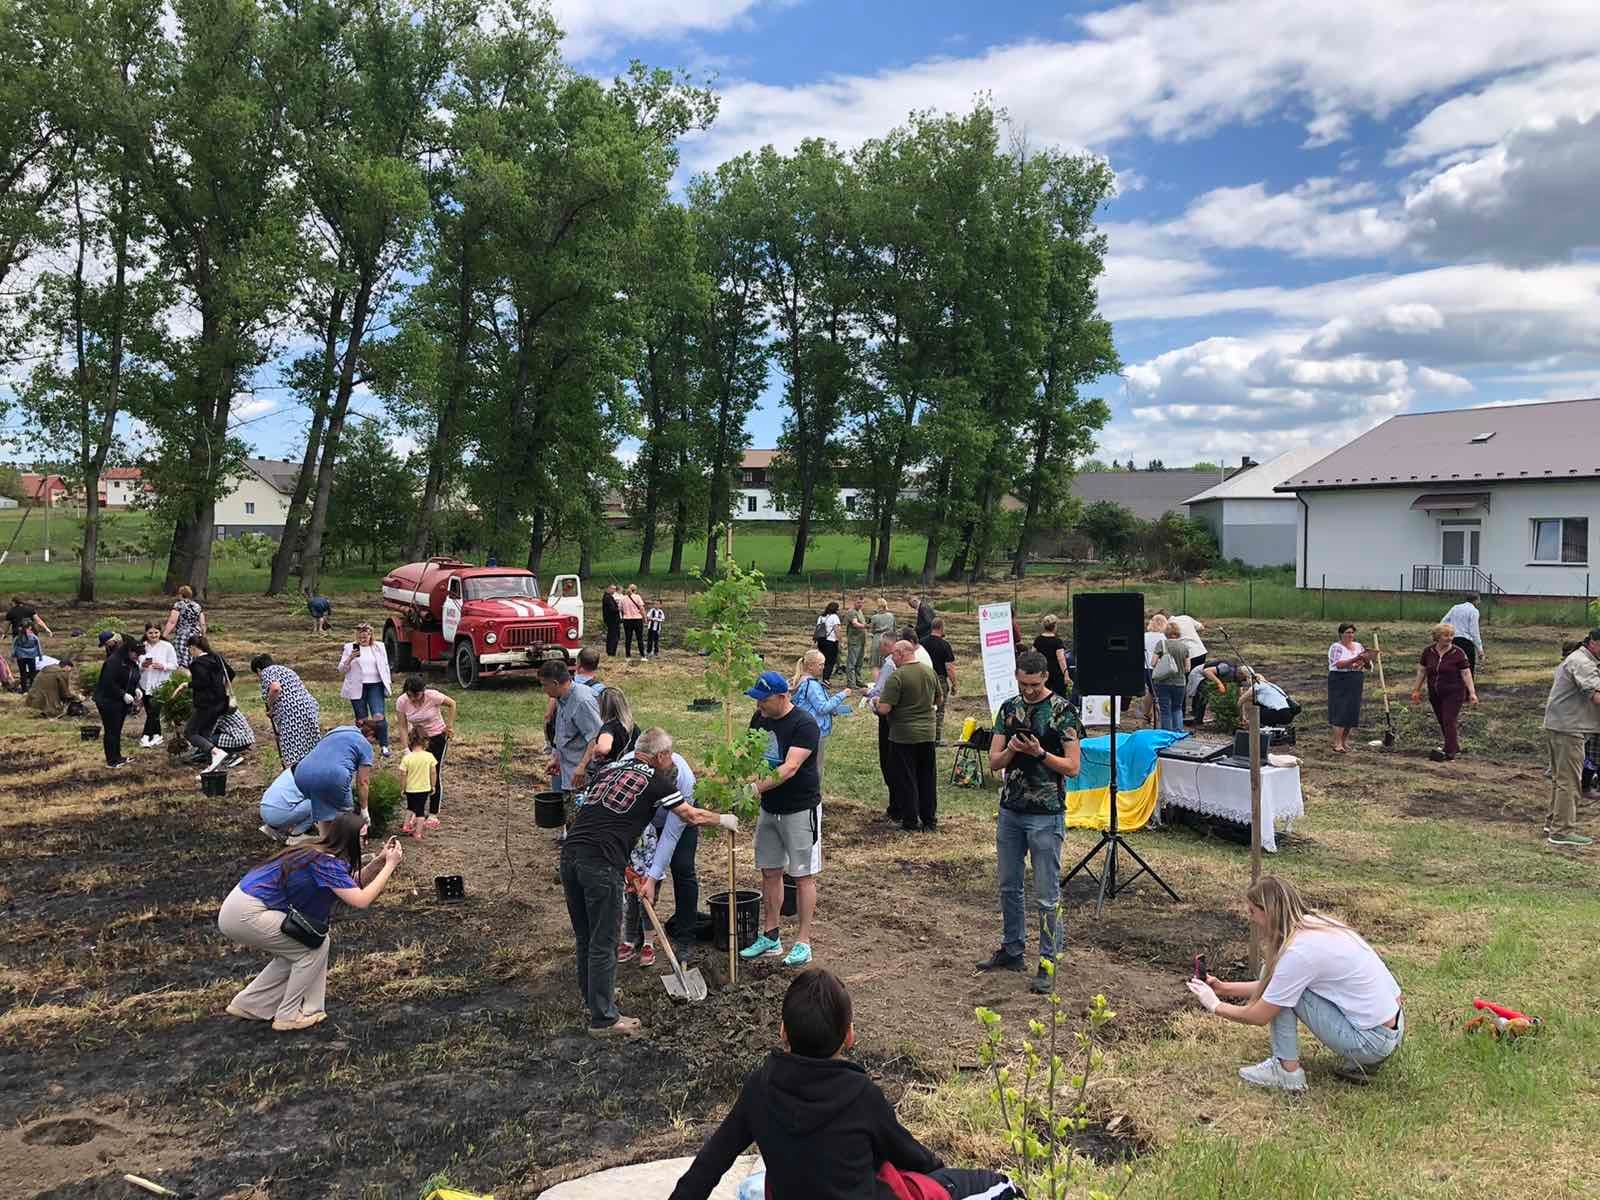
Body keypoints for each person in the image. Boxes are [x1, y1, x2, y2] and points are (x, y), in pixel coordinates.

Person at [668, 968, 1020, 1200]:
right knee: (1001, 1187)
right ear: (849, 1036)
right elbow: (911, 1156)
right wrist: (941, 1171)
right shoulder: (861, 1096)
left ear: (782, 1032)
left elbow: (709, 1165)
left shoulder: (759, 1088)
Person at [560, 726, 738, 1036]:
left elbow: (595, 815)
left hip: (571, 855)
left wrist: (627, 867)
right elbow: (690, 817)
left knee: (587, 937)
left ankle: (595, 1000)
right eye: (671, 757)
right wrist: (724, 820)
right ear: (662, 755)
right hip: (600, 865)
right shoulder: (656, 781)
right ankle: (604, 1020)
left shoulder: (609, 770)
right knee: (604, 940)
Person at [1184, 876, 1404, 1092]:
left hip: (1371, 1042)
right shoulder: (1320, 925)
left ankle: (1287, 1072)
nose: (1250, 918)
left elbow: (1260, 1015)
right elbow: (1279, 983)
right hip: (1392, 1027)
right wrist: (1223, 988)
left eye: (1253, 911)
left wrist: (1214, 1005)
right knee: (1280, 977)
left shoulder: (1299, 953)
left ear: (1269, 912)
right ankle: (1364, 1061)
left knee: (1287, 989)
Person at [217, 811, 402, 1031]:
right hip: (247, 912)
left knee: (303, 946)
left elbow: (349, 885)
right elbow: (361, 900)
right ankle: (289, 1015)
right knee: (311, 947)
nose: (365, 841)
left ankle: (251, 1004)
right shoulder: (325, 863)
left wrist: (379, 861)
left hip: (242, 906)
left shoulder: (319, 853)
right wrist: (390, 866)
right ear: (349, 839)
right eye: (362, 837)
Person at [977, 650, 1082, 994]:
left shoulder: (1064, 711)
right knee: (1009, 885)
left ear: (1046, 679)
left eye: (1034, 685)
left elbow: (1072, 767)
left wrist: (1039, 753)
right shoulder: (1009, 708)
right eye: (1023, 684)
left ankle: (1049, 962)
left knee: (1047, 894)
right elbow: (994, 762)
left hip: (1046, 813)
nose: (1029, 691)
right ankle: (1012, 949)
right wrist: (1012, 751)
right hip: (1011, 809)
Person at [743, 671, 823, 967]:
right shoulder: (760, 719)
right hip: (769, 807)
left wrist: (752, 789)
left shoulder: (804, 724)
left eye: (763, 700)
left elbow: (789, 768)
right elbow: (749, 754)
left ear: (782, 697)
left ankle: (803, 942)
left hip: (800, 808)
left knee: (802, 875)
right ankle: (771, 935)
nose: (759, 705)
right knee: (770, 871)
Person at [624, 744, 703, 942]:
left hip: (677, 821)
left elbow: (670, 835)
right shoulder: (628, 769)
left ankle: (686, 935)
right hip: (642, 823)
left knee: (682, 867)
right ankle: (637, 937)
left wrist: (652, 877)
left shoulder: (684, 780)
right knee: (635, 875)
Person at [1541, 629, 1600, 847]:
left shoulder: (1582, 658)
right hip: (1568, 728)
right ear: (1593, 642)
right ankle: (1562, 831)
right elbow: (1595, 695)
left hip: (1563, 725)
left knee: (1561, 779)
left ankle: (1553, 823)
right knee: (1569, 781)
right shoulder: (1582, 662)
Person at [876, 640, 939, 833]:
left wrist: (876, 703)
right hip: (927, 733)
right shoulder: (930, 672)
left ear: (902, 653)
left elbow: (885, 708)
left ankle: (910, 820)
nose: (892, 658)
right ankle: (929, 820)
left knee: (906, 777)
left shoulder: (898, 677)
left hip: (903, 735)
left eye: (894, 654)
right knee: (927, 777)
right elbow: (939, 698)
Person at [171, 635, 240, 773]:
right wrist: (222, 688)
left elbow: (203, 682)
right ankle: (214, 765)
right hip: (221, 703)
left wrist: (186, 684)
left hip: (206, 704)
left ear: (193, 648)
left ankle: (216, 753)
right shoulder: (217, 658)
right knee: (205, 734)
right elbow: (231, 674)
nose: (190, 652)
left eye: (189, 649)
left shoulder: (197, 663)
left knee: (190, 732)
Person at [293, 720, 381, 828]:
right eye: (373, 741)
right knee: (345, 817)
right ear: (371, 734)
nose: (371, 744)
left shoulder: (337, 730)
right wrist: (364, 810)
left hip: (301, 773)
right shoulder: (364, 744)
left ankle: (325, 842)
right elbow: (363, 781)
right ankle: (344, 843)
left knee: (323, 812)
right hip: (333, 776)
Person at [1410, 623, 1477, 762]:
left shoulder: (1458, 653)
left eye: (1451, 635)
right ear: (1437, 637)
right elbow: (1422, 671)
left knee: (1449, 720)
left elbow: (1466, 673)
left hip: (1454, 692)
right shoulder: (1428, 652)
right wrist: (1416, 689)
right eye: (1445, 635)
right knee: (1442, 720)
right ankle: (1454, 746)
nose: (1449, 638)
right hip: (1435, 692)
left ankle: (1450, 751)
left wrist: (1472, 693)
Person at [393, 674, 454, 827]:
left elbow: (452, 704)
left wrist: (449, 726)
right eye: (409, 695)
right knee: (414, 773)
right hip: (417, 740)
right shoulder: (402, 702)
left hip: (436, 738)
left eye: (416, 695)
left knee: (433, 772)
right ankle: (414, 811)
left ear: (423, 691)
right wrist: (406, 748)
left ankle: (433, 813)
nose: (413, 699)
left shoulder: (433, 696)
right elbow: (402, 726)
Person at [790, 649, 852, 788]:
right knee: (815, 768)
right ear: (810, 666)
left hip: (806, 728)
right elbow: (822, 708)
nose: (823, 667)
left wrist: (833, 710)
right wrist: (842, 695)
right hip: (815, 730)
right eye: (820, 664)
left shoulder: (803, 681)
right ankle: (813, 798)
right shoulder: (811, 685)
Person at [541, 660, 602, 799]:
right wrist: (556, 758)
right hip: (567, 769)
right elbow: (563, 733)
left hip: (580, 777)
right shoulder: (561, 698)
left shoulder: (582, 701)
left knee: (577, 816)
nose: (544, 690)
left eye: (545, 685)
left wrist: (582, 767)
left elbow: (596, 737)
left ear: (555, 684)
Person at [252, 654, 322, 771]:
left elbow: (275, 688)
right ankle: (314, 772)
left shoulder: (267, 672)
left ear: (258, 670)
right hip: (308, 707)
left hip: (293, 713)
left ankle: (295, 779)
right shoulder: (285, 670)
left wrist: (270, 706)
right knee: (310, 743)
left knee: (292, 749)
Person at [338, 623, 392, 757]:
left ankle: (384, 745)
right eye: (361, 637)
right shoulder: (349, 648)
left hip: (375, 685)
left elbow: (385, 666)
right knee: (362, 719)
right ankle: (362, 746)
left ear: (370, 635)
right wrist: (350, 658)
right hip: (357, 686)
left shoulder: (379, 647)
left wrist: (388, 683)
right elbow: (341, 670)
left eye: (366, 636)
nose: (364, 639)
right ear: (357, 636)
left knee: (378, 715)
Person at [93, 631, 142, 769]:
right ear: (129, 651)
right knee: (111, 730)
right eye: (136, 654)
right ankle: (111, 760)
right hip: (107, 700)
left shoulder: (131, 662)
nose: (137, 657)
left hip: (120, 702)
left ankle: (118, 756)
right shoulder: (113, 661)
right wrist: (122, 694)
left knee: (117, 729)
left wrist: (136, 689)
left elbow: (133, 678)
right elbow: (108, 682)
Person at [864, 633, 899, 817]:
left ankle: (895, 806)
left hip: (888, 717)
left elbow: (880, 691)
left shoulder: (888, 664)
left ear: (887, 645)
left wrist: (869, 695)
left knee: (888, 760)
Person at [578, 686, 639, 790]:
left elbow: (604, 748)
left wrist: (595, 751)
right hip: (630, 774)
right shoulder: (633, 727)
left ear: (602, 707)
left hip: (610, 778)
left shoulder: (609, 726)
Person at [1327, 622, 1374, 753]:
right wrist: (1356, 659)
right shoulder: (1336, 647)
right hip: (1340, 679)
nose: (1350, 635)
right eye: (1347, 632)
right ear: (1341, 634)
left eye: (1352, 632)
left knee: (1351, 710)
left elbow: (1368, 665)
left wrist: (1366, 659)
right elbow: (1339, 664)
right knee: (1340, 709)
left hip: (1355, 679)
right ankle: (1337, 743)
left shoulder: (1358, 646)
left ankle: (1344, 742)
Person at [136, 624, 178, 748]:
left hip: (161, 684)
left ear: (160, 633)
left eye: (156, 632)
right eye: (150, 633)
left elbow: (174, 665)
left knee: (154, 711)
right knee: (150, 712)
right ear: (146, 634)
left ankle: (145, 735)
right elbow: (136, 663)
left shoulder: (167, 646)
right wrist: (142, 665)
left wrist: (163, 666)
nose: (153, 635)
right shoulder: (142, 646)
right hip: (145, 683)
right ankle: (157, 735)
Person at [920, 617, 957, 743]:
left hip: (923, 679)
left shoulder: (922, 643)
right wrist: (954, 684)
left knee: (924, 707)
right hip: (940, 680)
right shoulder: (945, 645)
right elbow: (949, 667)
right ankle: (936, 738)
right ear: (941, 628)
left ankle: (923, 735)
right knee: (939, 710)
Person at [1149, 621, 1190, 733]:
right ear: (1177, 633)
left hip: (1163, 683)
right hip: (1180, 683)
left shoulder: (1161, 644)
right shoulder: (1184, 647)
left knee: (1165, 710)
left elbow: (1153, 663)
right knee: (1177, 708)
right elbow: (1187, 668)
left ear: (1166, 633)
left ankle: (1167, 735)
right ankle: (1178, 733)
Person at [399, 729, 439, 841]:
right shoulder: (429, 756)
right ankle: (418, 833)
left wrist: (402, 787)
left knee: (410, 807)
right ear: (425, 742)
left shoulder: (407, 758)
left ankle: (406, 826)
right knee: (420, 812)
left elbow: (403, 774)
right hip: (423, 789)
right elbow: (433, 772)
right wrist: (433, 785)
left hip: (410, 788)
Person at [258, 767, 316, 842]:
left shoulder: (294, 769)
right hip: (278, 815)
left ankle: (275, 827)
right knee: (319, 802)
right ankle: (296, 834)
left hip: (263, 809)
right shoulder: (313, 775)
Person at [162, 584, 207, 668]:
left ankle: (185, 678)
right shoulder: (197, 606)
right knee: (195, 658)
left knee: (183, 661)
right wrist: (203, 636)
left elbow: (172, 621)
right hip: (196, 636)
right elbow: (203, 623)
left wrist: (164, 635)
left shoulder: (178, 605)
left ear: (180, 594)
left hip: (183, 636)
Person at [1440, 592, 1484, 672]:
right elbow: (1474, 631)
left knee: (1452, 665)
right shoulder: (1474, 611)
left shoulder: (1455, 607)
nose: (1479, 602)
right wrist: (1479, 649)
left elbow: (1443, 621)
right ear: (1475, 600)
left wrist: (1448, 633)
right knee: (1467, 667)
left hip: (1453, 640)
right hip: (1466, 643)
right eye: (1479, 600)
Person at [1188, 659, 1236, 726]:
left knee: (1205, 694)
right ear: (1241, 674)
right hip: (1199, 674)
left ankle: (1197, 719)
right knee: (1202, 695)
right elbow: (1207, 671)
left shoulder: (1236, 675)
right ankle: (1196, 720)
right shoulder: (1225, 668)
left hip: (1206, 676)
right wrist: (1219, 683)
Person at [1033, 614, 1070, 700]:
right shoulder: (1057, 641)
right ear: (1055, 626)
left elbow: (1033, 656)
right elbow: (1061, 659)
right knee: (1060, 698)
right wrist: (1066, 674)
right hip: (1056, 674)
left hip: (1042, 672)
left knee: (1042, 696)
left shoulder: (1038, 640)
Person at [11, 619, 44, 694]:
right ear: (30, 627)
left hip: (21, 656)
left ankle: (24, 689)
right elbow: (38, 646)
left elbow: (14, 647)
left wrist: (13, 656)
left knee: (23, 673)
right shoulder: (33, 636)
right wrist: (40, 655)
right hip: (31, 656)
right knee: (32, 673)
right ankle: (32, 688)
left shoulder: (18, 637)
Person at [814, 600, 843, 683]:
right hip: (831, 642)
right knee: (830, 661)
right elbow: (837, 630)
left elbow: (817, 629)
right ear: (835, 610)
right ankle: (826, 679)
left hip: (821, 641)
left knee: (822, 660)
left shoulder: (820, 617)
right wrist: (840, 641)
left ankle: (820, 677)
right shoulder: (834, 617)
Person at [844, 594, 868, 688]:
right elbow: (855, 623)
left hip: (861, 640)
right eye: (858, 602)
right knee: (852, 663)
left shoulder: (860, 611)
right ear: (854, 602)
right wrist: (866, 626)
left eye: (862, 602)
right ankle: (851, 683)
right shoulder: (852, 612)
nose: (860, 604)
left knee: (859, 662)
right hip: (854, 641)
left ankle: (858, 680)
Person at [867, 597, 896, 668]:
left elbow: (871, 629)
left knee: (876, 661)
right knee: (887, 658)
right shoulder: (891, 616)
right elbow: (894, 628)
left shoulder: (874, 617)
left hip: (877, 638)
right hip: (889, 637)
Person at [619, 583, 646, 658]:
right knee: (639, 638)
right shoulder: (637, 597)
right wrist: (645, 618)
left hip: (627, 620)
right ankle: (642, 655)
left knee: (628, 638)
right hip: (637, 619)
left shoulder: (623, 598)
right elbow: (642, 608)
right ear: (635, 590)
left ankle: (628, 656)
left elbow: (620, 608)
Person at [601, 584, 621, 657]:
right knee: (613, 636)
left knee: (613, 636)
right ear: (609, 589)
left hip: (612, 620)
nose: (614, 591)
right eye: (613, 589)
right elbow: (612, 609)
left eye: (615, 589)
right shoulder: (607, 597)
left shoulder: (609, 597)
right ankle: (611, 651)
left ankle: (611, 651)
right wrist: (618, 609)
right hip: (612, 620)